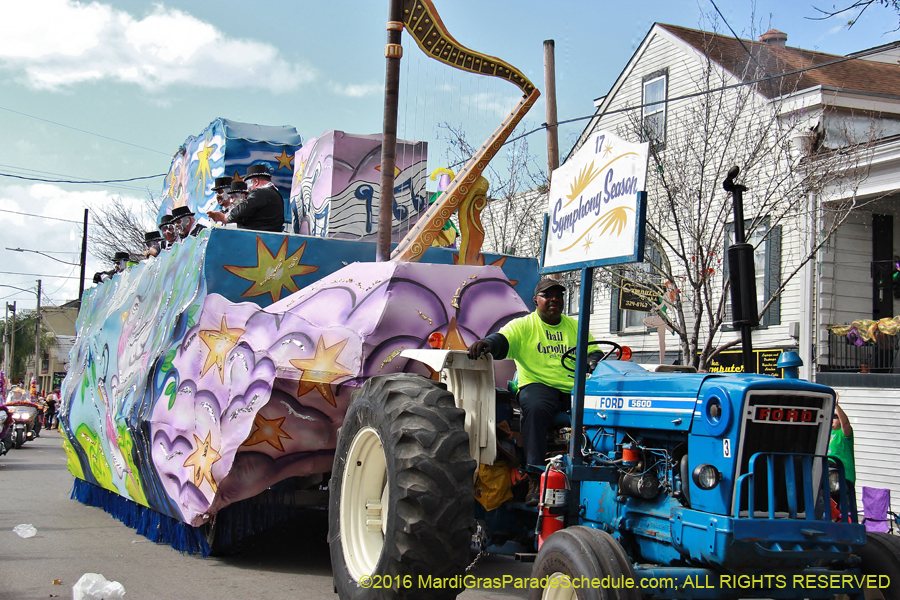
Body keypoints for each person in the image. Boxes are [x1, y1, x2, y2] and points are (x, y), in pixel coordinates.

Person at [467, 278, 595, 506]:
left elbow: (593, 352)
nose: (554, 299)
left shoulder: (575, 327)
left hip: (574, 388)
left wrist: (594, 360)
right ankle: (535, 477)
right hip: (538, 385)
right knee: (535, 408)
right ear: (536, 300)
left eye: (558, 295)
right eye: (548, 295)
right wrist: (487, 344)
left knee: (604, 409)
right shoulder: (525, 325)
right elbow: (503, 340)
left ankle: (596, 469)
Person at [206, 164, 284, 232]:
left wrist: (224, 217)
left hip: (257, 239)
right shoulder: (276, 194)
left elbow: (241, 211)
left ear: (256, 181)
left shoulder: (260, 193)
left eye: (248, 184)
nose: (248, 189)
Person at [830, 397, 857, 522]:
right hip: (830, 478)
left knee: (846, 507)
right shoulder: (827, 434)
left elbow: (846, 423)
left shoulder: (844, 434)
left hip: (844, 476)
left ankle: (849, 525)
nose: (832, 419)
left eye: (835, 417)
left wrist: (836, 406)